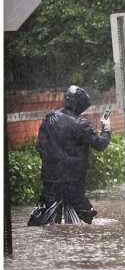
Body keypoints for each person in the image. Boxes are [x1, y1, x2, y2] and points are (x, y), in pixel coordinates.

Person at [28, 86, 112, 225]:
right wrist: (106, 127)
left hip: (50, 180)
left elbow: (40, 147)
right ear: (79, 104)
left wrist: (55, 164)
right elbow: (100, 144)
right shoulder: (81, 124)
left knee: (47, 220)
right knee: (85, 218)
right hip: (73, 182)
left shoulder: (49, 119)